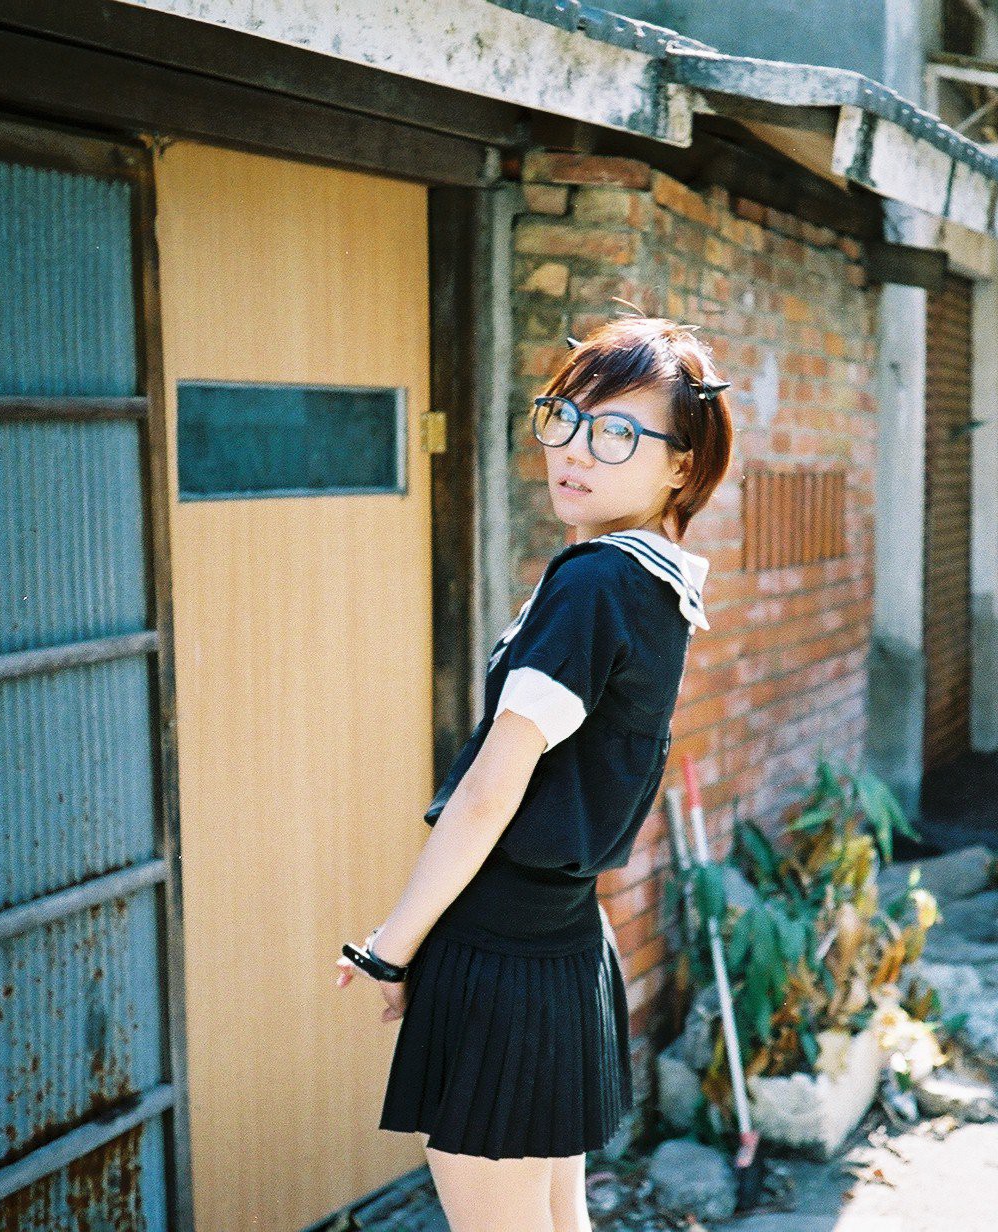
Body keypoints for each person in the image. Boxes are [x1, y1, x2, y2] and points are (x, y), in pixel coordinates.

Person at [336, 315, 734, 1232]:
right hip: (560, 947)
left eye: (617, 432)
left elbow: (490, 792)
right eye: (566, 417)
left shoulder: (596, 584)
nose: (577, 451)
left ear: (681, 466)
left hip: (504, 959)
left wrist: (391, 946)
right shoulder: (652, 583)